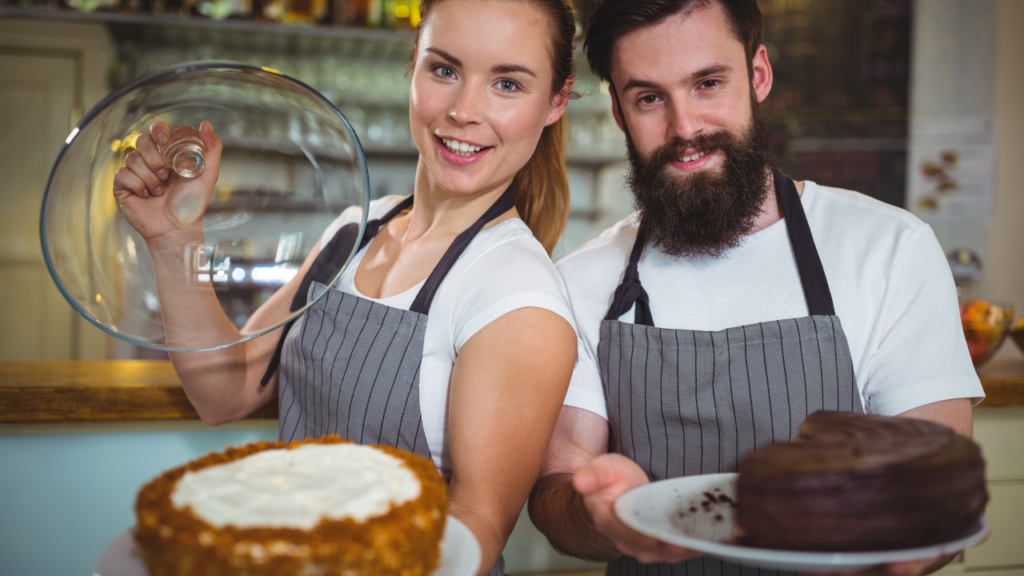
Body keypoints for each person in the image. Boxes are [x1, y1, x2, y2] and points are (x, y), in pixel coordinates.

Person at [112, 1, 582, 574]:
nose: (463, 110)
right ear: (412, 67)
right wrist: (174, 239)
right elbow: (226, 390)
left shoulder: (517, 296)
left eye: (507, 83)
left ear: (556, 101)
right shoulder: (356, 229)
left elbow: (476, 528)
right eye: (444, 69)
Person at [528, 1, 984, 575]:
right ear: (619, 111)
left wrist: (918, 538)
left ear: (758, 75)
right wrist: (600, 512)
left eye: (709, 83)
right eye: (649, 98)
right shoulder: (581, 279)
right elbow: (557, 487)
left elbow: (940, 484)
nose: (685, 128)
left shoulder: (891, 250)